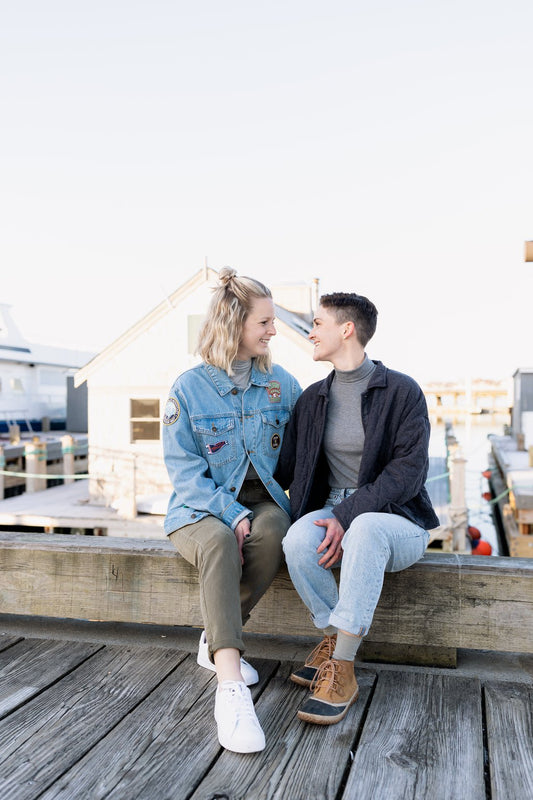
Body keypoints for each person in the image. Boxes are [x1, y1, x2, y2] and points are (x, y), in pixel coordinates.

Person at [276, 292, 439, 726]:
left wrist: (348, 516)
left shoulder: (402, 391)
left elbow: (408, 474)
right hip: (332, 512)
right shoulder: (312, 399)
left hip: (397, 519)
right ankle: (334, 640)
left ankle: (343, 669)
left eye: (317, 323)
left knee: (365, 526)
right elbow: (287, 468)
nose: (310, 331)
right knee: (295, 540)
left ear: (346, 329)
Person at [162, 268, 301, 753]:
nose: (272, 330)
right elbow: (183, 474)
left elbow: (305, 457)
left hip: (262, 502)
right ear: (233, 324)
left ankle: (214, 639)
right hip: (197, 508)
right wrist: (229, 512)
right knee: (221, 540)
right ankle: (231, 688)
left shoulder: (282, 384)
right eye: (264, 321)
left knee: (276, 529)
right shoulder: (188, 389)